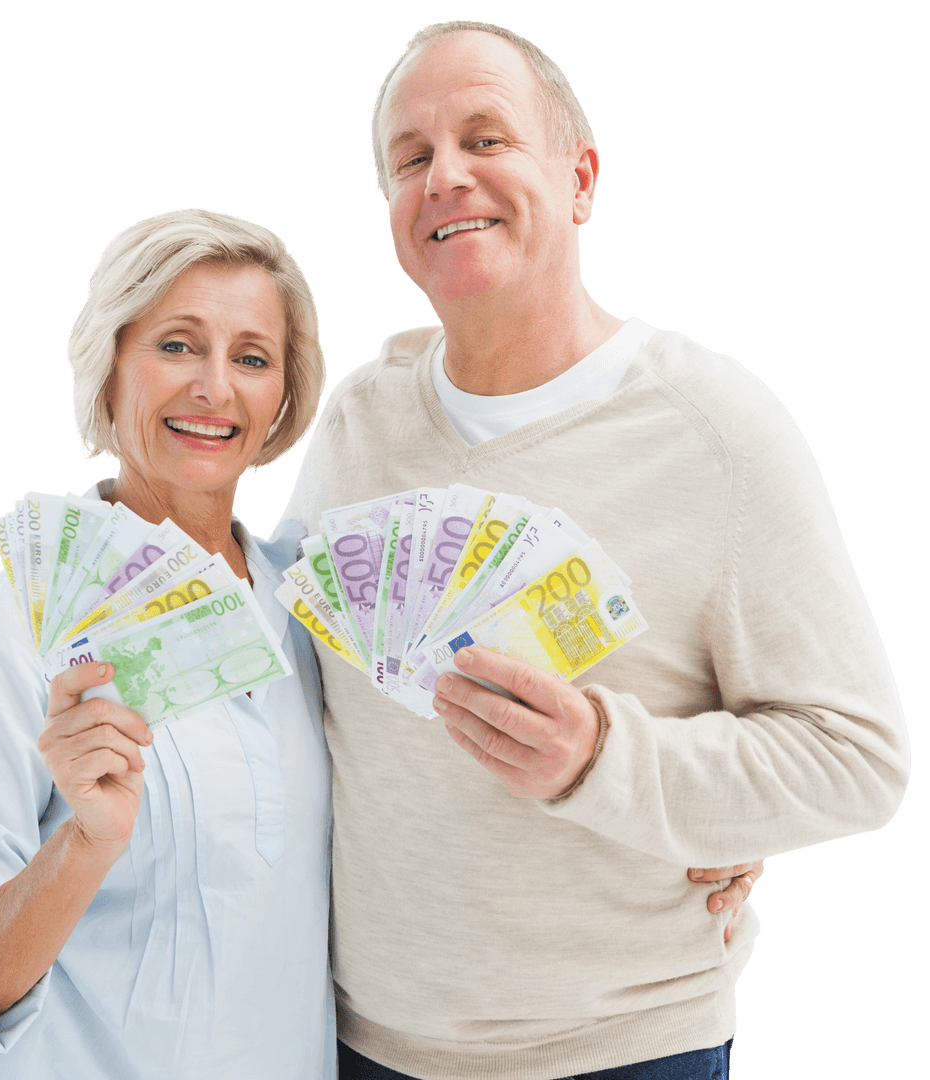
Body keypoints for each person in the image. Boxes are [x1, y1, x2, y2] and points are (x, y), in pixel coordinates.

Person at [282, 20, 911, 1080]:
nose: (446, 177)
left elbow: (856, 760)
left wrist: (610, 764)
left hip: (622, 1054)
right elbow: (286, 677)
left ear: (578, 178)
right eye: (410, 157)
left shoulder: (717, 426)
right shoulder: (357, 418)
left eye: (487, 138)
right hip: (358, 1044)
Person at [0, 208, 335, 1079]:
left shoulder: (322, 613)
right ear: (107, 370)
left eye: (251, 358)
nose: (215, 387)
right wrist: (86, 841)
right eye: (177, 345)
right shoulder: (10, 626)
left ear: (283, 398)